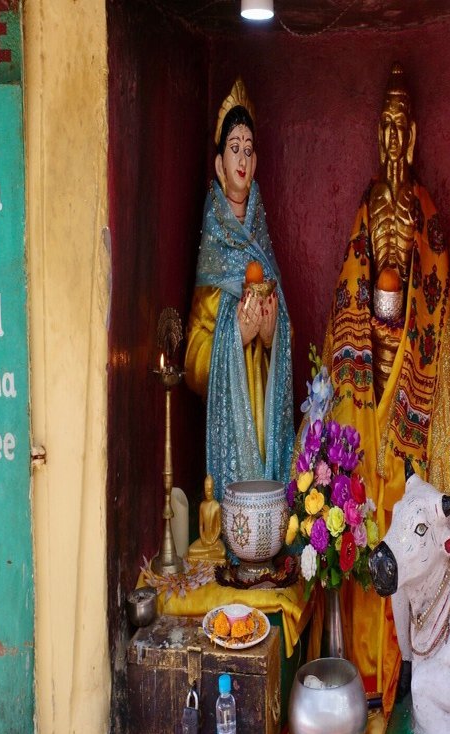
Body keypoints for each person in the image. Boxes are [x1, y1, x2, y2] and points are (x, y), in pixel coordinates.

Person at [321, 62, 450, 706]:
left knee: (404, 521)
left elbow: (438, 298)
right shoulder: (367, 206)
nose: (390, 143)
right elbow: (352, 284)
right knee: (360, 517)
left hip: (407, 375)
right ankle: (364, 672)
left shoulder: (424, 214)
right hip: (369, 373)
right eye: (382, 130)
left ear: (411, 140)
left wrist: (408, 346)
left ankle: (409, 676)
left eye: (398, 131)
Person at [184, 78, 293, 502]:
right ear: (218, 165)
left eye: (249, 149)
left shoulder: (261, 246)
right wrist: (235, 337)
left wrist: (270, 334)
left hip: (265, 412)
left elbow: (284, 330)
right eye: (234, 148)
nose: (242, 159)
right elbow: (193, 355)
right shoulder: (214, 248)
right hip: (231, 422)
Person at [186, 474, 226, 564]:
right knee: (191, 550)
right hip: (204, 540)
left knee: (222, 552)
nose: (208, 492)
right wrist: (203, 538)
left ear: (212, 489)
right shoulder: (202, 505)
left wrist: (213, 540)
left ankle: (209, 559)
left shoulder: (216, 506)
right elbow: (201, 526)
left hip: (214, 542)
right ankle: (205, 559)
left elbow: (219, 527)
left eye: (209, 490)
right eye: (206, 490)